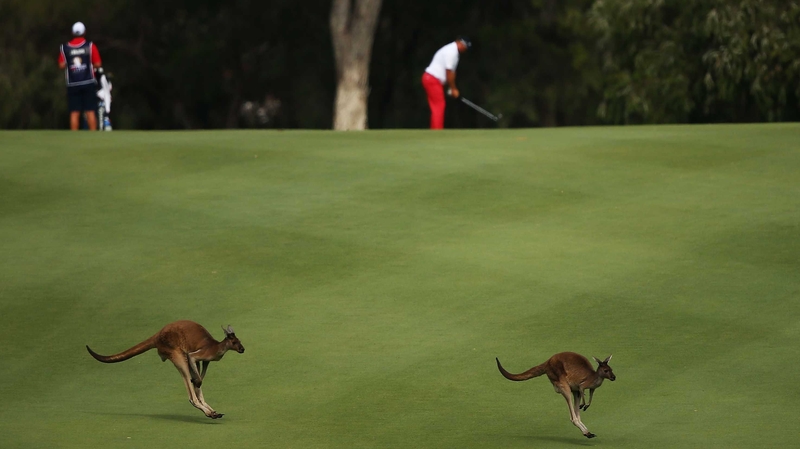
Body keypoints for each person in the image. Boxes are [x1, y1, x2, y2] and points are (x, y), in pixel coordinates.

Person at [58, 22, 102, 131]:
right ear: (84, 32)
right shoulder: (90, 46)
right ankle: (93, 137)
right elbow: (98, 64)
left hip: (72, 83)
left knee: (74, 112)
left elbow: (61, 65)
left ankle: (74, 138)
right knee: (90, 111)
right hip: (88, 81)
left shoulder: (65, 47)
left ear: (72, 33)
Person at [421, 36, 471, 129]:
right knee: (439, 105)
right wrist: (453, 88)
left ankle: (435, 130)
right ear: (460, 43)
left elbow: (452, 73)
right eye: (465, 47)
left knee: (438, 105)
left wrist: (452, 88)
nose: (465, 49)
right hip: (432, 79)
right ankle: (437, 131)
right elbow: (448, 72)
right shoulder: (451, 52)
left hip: (432, 79)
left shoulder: (454, 52)